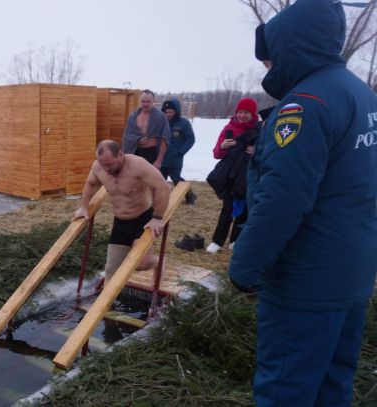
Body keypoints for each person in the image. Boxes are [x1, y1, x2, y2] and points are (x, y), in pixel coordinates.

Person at [229, 1, 377, 405]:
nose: (267, 68)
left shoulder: (305, 105)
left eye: (269, 58)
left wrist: (244, 266)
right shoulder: (362, 95)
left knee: (286, 390)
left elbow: (283, 199)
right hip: (352, 274)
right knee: (332, 385)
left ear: (291, 47)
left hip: (306, 281)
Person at [73, 140, 171, 282]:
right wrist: (84, 207)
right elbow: (90, 183)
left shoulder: (137, 165)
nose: (106, 169)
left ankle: (158, 262)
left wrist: (157, 217)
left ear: (120, 154)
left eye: (109, 164)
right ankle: (106, 304)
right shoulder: (98, 167)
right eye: (103, 164)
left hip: (142, 219)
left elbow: (163, 187)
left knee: (141, 264)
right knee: (111, 269)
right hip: (120, 222)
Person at [205, 98, 260, 254]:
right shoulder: (229, 128)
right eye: (240, 112)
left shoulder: (260, 130)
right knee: (227, 209)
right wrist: (223, 146)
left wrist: (256, 151)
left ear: (253, 114)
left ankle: (235, 240)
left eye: (246, 112)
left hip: (247, 176)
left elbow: (266, 152)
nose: (242, 115)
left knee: (244, 210)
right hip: (230, 176)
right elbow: (216, 153)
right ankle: (217, 241)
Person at [160, 99, 197, 205]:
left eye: (170, 112)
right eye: (166, 112)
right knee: (161, 181)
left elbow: (191, 139)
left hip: (175, 159)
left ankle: (190, 195)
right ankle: (162, 201)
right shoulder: (161, 123)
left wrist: (181, 152)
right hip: (162, 158)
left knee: (177, 180)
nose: (168, 114)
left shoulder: (184, 123)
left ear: (176, 111)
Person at [122, 90, 171, 168]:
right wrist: (137, 140)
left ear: (153, 101)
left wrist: (159, 160)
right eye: (143, 101)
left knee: (149, 179)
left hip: (151, 153)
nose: (145, 104)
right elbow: (127, 137)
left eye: (148, 101)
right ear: (140, 101)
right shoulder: (133, 116)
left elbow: (164, 139)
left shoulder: (160, 117)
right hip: (135, 152)